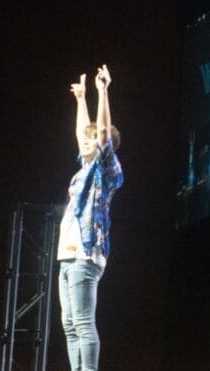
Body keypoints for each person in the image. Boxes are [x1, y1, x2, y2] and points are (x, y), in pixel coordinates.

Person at [57, 65, 124, 371]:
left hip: (87, 255)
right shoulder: (82, 171)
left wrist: (102, 92)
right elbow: (82, 133)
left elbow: (100, 133)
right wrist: (81, 100)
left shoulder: (106, 172)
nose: (86, 142)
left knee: (83, 322)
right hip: (67, 256)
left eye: (93, 140)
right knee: (69, 323)